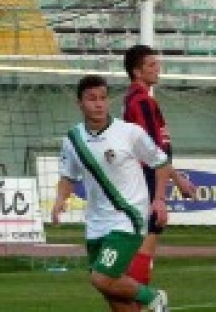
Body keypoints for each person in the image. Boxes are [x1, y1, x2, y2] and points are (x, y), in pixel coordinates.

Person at [52, 75, 171, 312]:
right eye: (92, 99)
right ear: (80, 103)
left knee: (101, 278)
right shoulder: (73, 139)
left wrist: (158, 200)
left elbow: (161, 162)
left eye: (103, 98)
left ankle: (154, 297)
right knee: (113, 296)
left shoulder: (129, 133)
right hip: (96, 222)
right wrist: (60, 200)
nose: (98, 104)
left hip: (128, 219)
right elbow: (68, 176)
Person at [123, 44, 197, 291]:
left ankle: (134, 297)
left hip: (148, 174)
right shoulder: (142, 102)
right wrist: (162, 195)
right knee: (148, 239)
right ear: (137, 72)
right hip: (147, 175)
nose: (158, 69)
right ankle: (137, 297)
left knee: (146, 238)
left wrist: (176, 178)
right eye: (151, 65)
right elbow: (154, 151)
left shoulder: (139, 100)